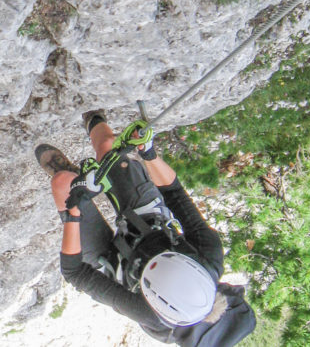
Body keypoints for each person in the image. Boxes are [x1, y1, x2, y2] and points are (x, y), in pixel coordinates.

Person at [35, 110, 256, 346]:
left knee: (63, 184)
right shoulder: (208, 255)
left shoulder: (153, 315)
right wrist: (149, 154)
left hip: (116, 265)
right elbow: (174, 194)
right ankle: (94, 121)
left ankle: (71, 177)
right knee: (108, 147)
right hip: (152, 225)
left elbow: (75, 272)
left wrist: (74, 210)